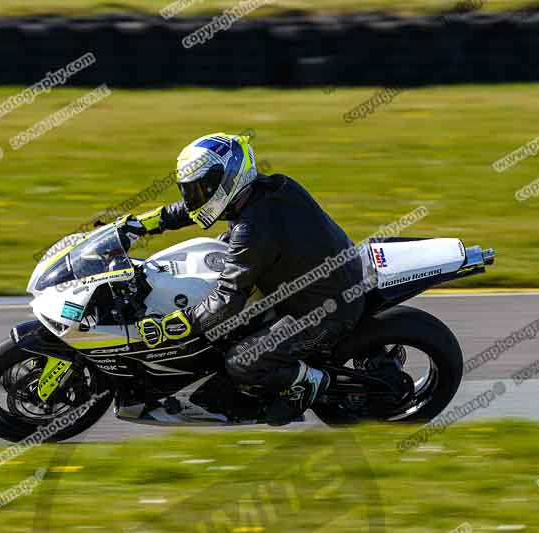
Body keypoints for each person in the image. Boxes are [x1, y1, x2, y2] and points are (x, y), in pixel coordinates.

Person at [117, 132, 364, 425]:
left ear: (227, 179)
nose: (194, 198)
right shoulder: (268, 188)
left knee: (241, 362)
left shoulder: (253, 229)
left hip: (323, 309)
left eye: (200, 189)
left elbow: (226, 301)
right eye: (190, 190)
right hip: (313, 279)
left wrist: (172, 326)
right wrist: (141, 225)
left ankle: (307, 384)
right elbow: (194, 209)